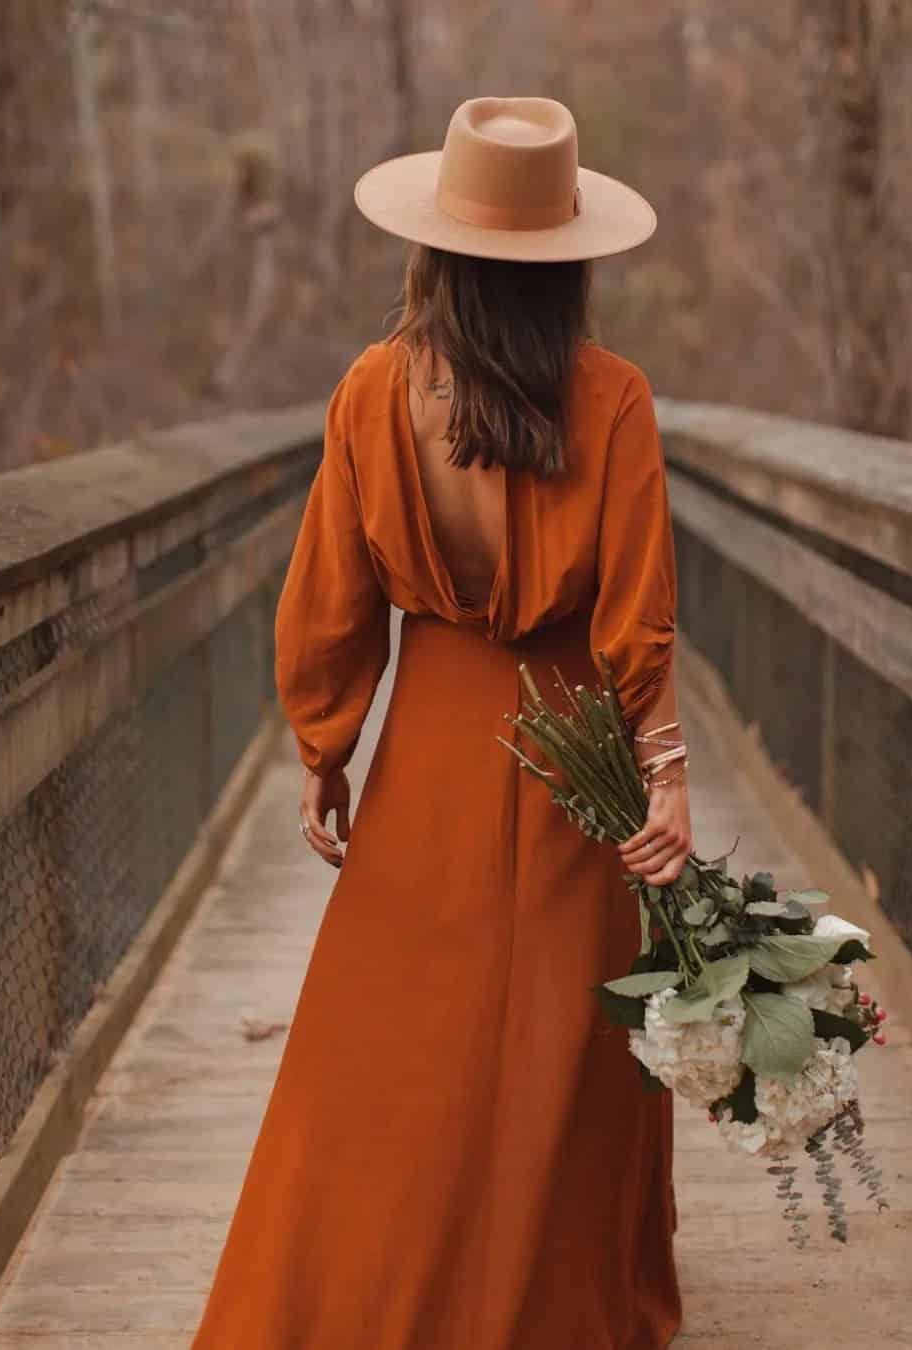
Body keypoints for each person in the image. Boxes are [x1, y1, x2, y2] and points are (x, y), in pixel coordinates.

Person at [191, 96, 690, 1350]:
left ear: (436, 248)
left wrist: (326, 745)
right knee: (567, 1042)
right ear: (568, 256)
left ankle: (355, 1295)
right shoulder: (614, 398)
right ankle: (552, 1307)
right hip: (579, 756)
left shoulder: (372, 391)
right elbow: (639, 617)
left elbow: (330, 595)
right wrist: (668, 775)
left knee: (399, 1037)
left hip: (432, 747)